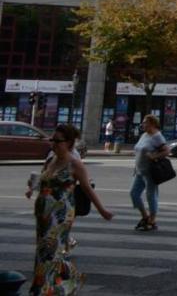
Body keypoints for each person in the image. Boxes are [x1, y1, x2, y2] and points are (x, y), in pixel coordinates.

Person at [30, 124, 113, 293]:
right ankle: (53, 284)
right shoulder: (51, 159)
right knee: (43, 251)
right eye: (52, 139)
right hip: (44, 215)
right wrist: (31, 188)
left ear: (68, 142)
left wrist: (102, 210)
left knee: (50, 251)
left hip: (60, 215)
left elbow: (87, 189)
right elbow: (42, 180)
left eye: (57, 141)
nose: (53, 143)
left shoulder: (74, 164)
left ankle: (45, 288)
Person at [130, 114, 169, 231]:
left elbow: (167, 151)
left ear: (152, 124)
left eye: (144, 122)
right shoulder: (144, 135)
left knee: (151, 195)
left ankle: (152, 220)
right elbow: (138, 151)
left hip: (150, 172)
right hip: (139, 171)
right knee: (134, 194)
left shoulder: (157, 136)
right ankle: (145, 216)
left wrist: (154, 156)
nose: (142, 124)